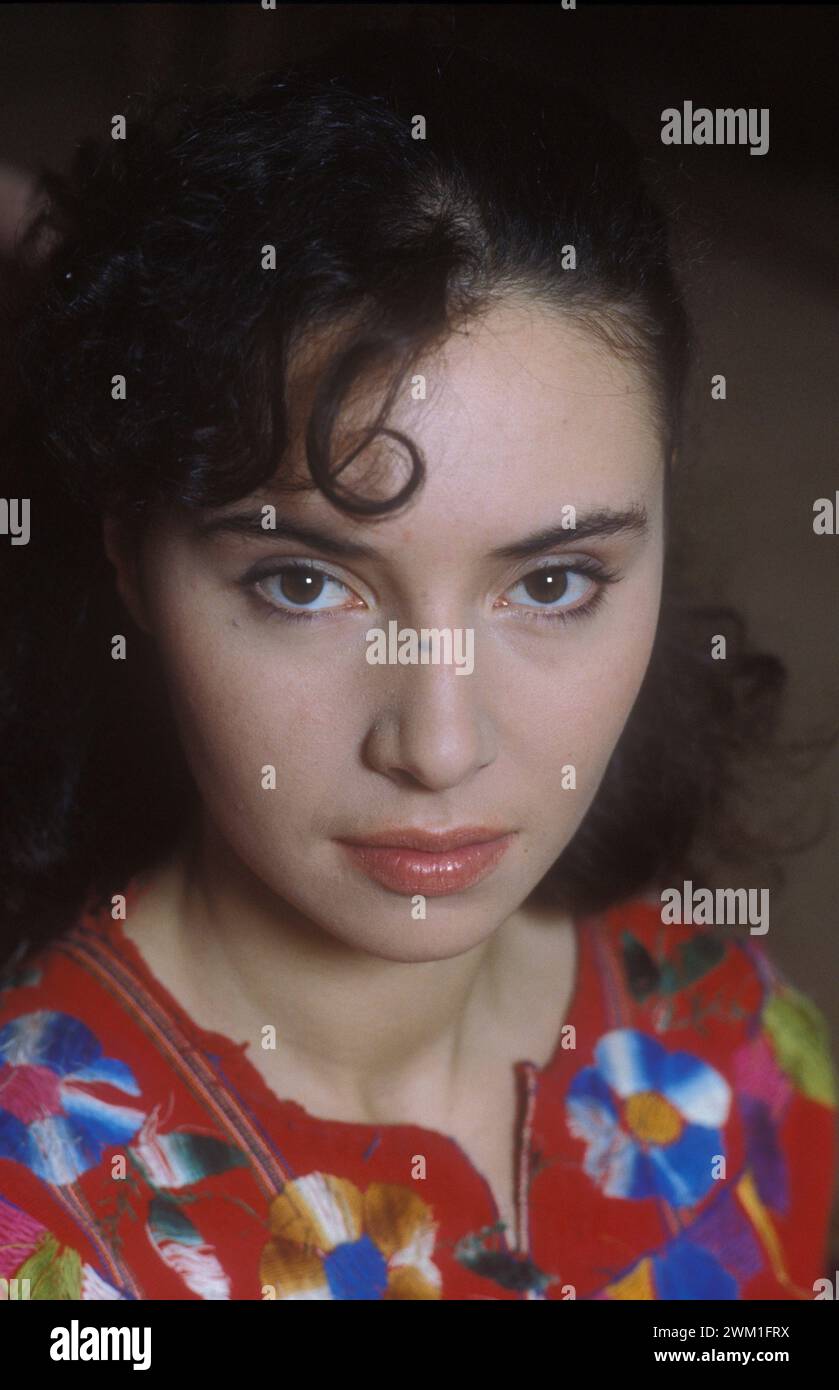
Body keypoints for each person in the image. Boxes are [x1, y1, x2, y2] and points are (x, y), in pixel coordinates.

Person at [0, 34, 834, 1302]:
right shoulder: (38, 1222)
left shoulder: (724, 1030)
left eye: (552, 583)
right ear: (129, 560)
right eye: (303, 583)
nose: (438, 745)